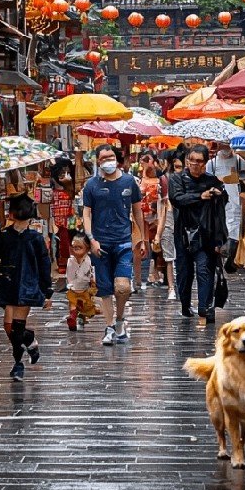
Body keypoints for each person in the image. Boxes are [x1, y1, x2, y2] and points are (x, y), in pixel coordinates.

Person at [82, 144, 145, 345]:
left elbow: (137, 211)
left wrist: (142, 239)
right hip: (100, 243)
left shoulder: (129, 181)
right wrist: (91, 239)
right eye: (103, 158)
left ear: (116, 159)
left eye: (111, 157)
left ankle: (120, 320)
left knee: (123, 287)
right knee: (105, 288)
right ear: (98, 161)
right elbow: (86, 213)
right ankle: (110, 327)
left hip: (124, 241)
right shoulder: (91, 185)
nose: (108, 161)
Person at [0, 193, 54, 380]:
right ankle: (29, 340)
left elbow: (44, 264)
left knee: (16, 326)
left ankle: (18, 363)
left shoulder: (35, 238)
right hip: (8, 283)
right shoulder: (5, 235)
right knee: (8, 326)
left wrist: (46, 290)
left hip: (27, 285)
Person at [169, 144, 227, 324]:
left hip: (206, 235)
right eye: (191, 160)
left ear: (205, 163)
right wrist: (200, 196)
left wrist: (220, 194)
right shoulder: (176, 179)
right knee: (184, 273)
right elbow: (177, 199)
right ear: (187, 161)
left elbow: (221, 208)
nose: (195, 164)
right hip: (184, 233)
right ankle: (185, 305)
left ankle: (205, 306)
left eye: (199, 161)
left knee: (204, 270)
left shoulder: (212, 181)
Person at [206, 142, 245, 274]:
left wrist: (243, 201)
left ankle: (231, 259)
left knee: (235, 231)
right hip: (219, 203)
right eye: (222, 145)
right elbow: (207, 183)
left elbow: (243, 182)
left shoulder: (239, 161)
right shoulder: (212, 164)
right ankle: (218, 259)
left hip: (235, 202)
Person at [159, 151, 184, 301]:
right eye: (176, 167)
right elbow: (163, 208)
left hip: (183, 222)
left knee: (182, 258)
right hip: (169, 221)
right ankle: (171, 288)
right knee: (169, 257)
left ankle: (180, 287)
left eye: (180, 167)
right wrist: (158, 233)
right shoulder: (166, 181)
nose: (178, 170)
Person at [137, 150, 163, 291]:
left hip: (156, 215)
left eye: (147, 159)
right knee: (145, 245)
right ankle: (144, 276)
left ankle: (157, 273)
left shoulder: (160, 176)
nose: (144, 162)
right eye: (142, 159)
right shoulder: (140, 177)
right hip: (143, 216)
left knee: (157, 246)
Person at [65, 233, 98, 331]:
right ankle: (72, 317)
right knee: (73, 304)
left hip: (86, 289)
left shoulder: (89, 261)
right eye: (74, 247)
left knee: (85, 308)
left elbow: (92, 274)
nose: (76, 249)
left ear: (87, 248)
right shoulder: (70, 261)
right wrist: (70, 285)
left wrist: (93, 282)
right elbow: (69, 275)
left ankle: (80, 318)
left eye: (80, 247)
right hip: (74, 288)